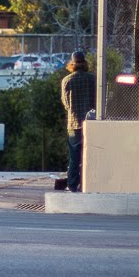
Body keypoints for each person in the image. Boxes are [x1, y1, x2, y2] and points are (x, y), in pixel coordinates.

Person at [59, 50, 96, 192]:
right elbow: (97, 101)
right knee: (90, 155)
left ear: (72, 64)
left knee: (74, 157)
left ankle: (72, 184)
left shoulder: (66, 80)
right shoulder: (92, 79)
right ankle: (88, 183)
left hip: (73, 124)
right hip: (91, 123)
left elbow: (66, 104)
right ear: (85, 63)